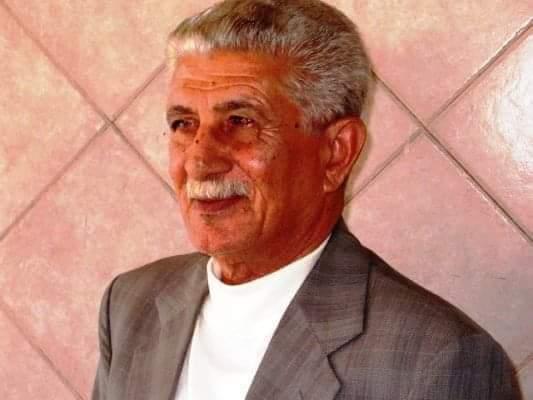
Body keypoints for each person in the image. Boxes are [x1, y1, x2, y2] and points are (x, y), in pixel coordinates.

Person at [92, 0, 522, 399]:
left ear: (336, 153)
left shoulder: (438, 363)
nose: (200, 161)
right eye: (183, 124)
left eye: (240, 121)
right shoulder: (130, 305)